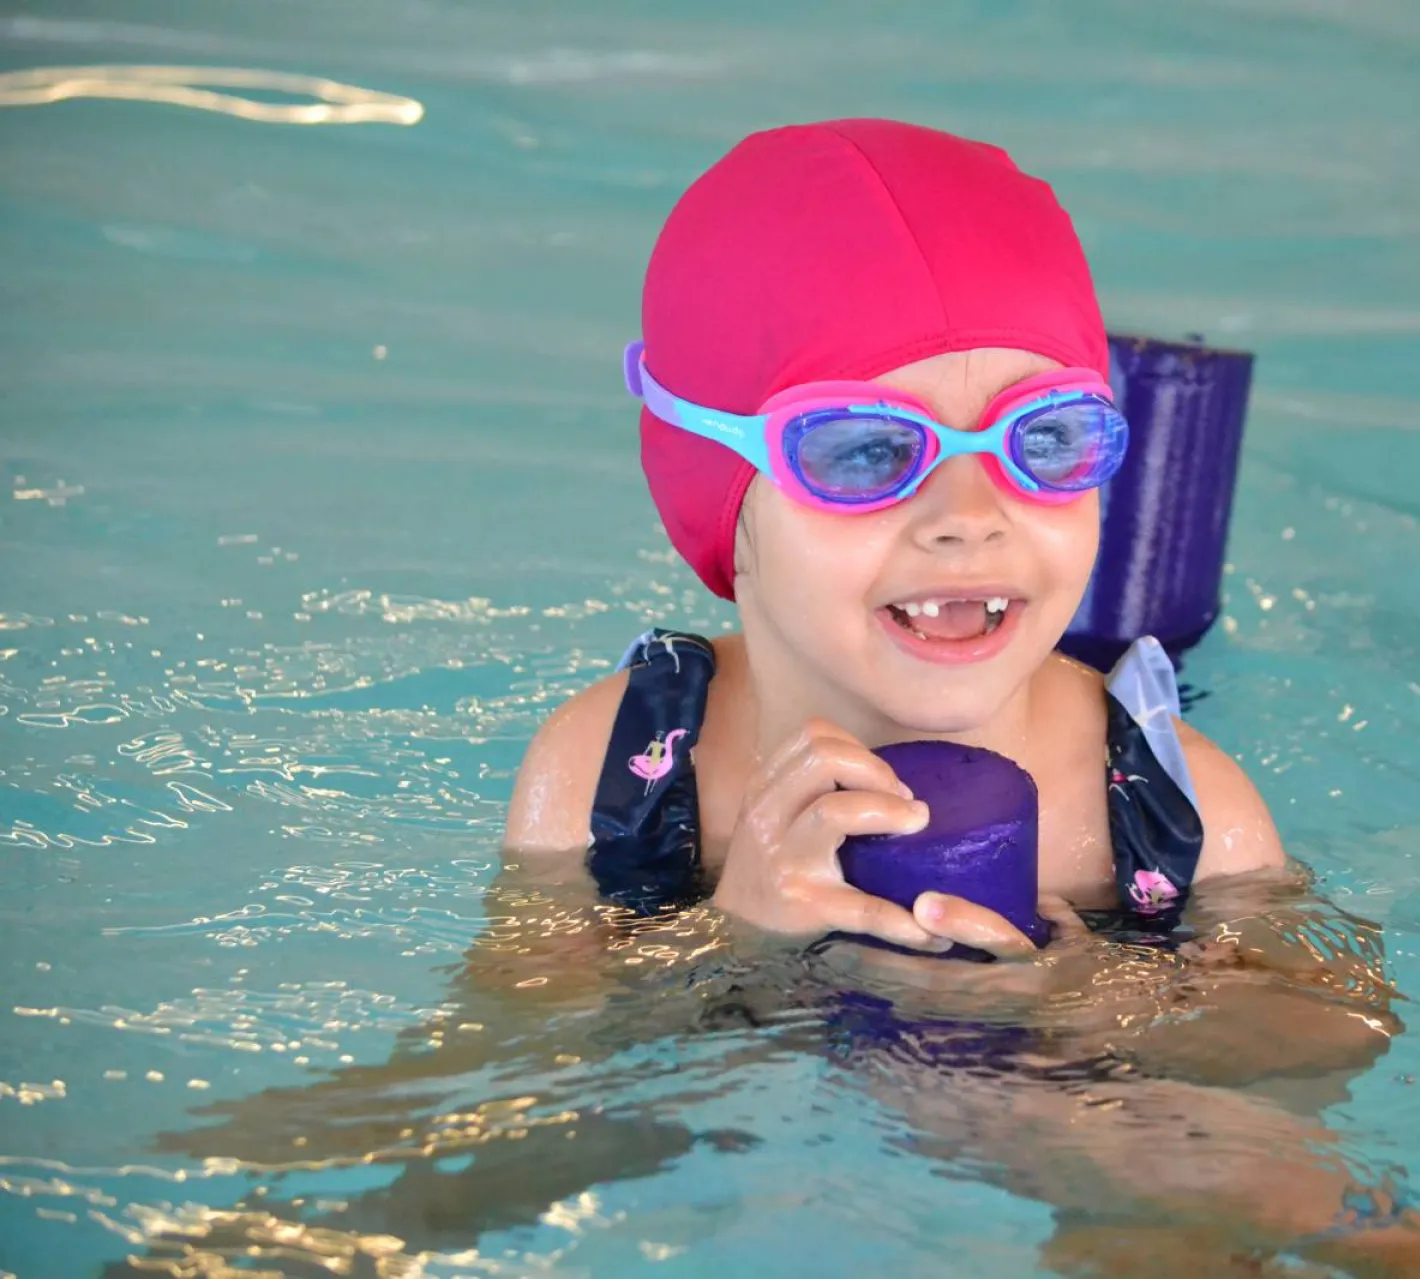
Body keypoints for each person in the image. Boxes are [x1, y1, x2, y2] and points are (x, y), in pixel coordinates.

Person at [505, 117, 1286, 957]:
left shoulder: (1180, 820)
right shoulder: (616, 778)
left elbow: (1294, 1065)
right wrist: (737, 944)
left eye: (1045, 437)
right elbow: (524, 1056)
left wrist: (1062, 1039)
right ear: (718, 495)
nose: (969, 516)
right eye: (870, 450)